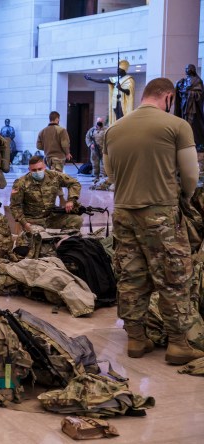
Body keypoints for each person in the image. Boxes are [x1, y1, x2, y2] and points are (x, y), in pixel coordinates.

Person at [104, 77, 204, 365]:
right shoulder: (177, 126)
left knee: (131, 276)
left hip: (123, 211)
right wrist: (184, 197)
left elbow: (111, 175)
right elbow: (190, 176)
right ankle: (178, 344)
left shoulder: (114, 129)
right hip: (160, 212)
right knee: (174, 277)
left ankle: (136, 339)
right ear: (169, 97)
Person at [9, 155, 82, 232]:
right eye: (34, 170)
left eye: (40, 169)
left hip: (51, 217)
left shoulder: (54, 176)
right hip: (32, 220)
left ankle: (64, 240)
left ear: (44, 167)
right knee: (39, 236)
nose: (37, 172)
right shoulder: (21, 183)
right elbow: (15, 206)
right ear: (29, 170)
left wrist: (71, 200)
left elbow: (74, 183)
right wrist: (24, 223)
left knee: (76, 220)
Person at [85, 60, 135, 125]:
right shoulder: (116, 79)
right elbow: (102, 80)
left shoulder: (129, 80)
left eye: (118, 69)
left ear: (123, 70)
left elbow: (129, 92)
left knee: (122, 118)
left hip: (122, 102)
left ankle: (122, 128)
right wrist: (91, 79)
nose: (117, 71)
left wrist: (121, 88)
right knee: (117, 118)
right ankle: (117, 128)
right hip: (115, 102)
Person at [174, 64, 204, 148]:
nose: (186, 70)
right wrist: (178, 85)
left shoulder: (197, 80)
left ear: (192, 70)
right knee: (183, 122)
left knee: (192, 123)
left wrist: (190, 93)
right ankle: (184, 141)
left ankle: (193, 142)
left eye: (188, 68)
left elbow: (200, 94)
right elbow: (180, 91)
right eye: (185, 68)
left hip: (192, 107)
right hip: (184, 104)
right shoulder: (184, 80)